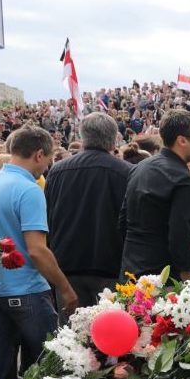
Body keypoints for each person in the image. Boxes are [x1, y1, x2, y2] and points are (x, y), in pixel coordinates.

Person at [0, 126, 76, 379]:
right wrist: (65, 288)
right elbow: (37, 251)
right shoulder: (28, 189)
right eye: (49, 158)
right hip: (26, 290)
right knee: (54, 364)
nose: (48, 165)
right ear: (39, 154)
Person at [45, 112, 130, 313]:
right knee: (111, 338)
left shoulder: (57, 171)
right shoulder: (126, 172)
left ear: (83, 137)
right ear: (114, 138)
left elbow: (47, 218)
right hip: (110, 267)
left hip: (67, 266)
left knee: (71, 338)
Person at [120, 109, 190, 279]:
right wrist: (189, 277)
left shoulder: (140, 167)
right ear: (182, 140)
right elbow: (180, 232)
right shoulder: (183, 179)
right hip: (162, 276)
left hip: (130, 269)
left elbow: (123, 221)